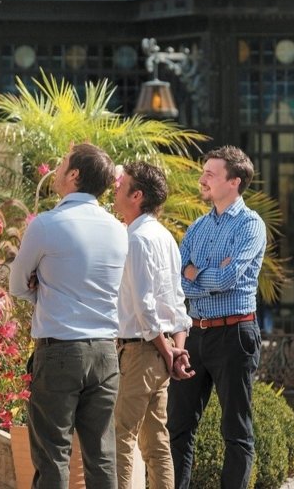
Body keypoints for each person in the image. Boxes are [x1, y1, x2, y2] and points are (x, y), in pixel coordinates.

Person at [9, 143, 127, 489]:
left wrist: (41, 288)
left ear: (74, 175)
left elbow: (17, 285)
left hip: (59, 350)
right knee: (102, 454)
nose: (57, 170)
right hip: (106, 353)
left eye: (62, 164)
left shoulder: (47, 224)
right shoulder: (118, 229)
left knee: (52, 455)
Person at [167, 145, 266, 489]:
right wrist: (198, 275)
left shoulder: (251, 225)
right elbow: (176, 281)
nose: (202, 178)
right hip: (195, 334)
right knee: (178, 426)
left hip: (235, 334)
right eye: (203, 172)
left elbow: (229, 279)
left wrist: (195, 273)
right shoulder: (197, 227)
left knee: (236, 430)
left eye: (211, 173)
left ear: (234, 182)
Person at [111, 162, 194, 489]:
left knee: (120, 436)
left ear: (137, 195)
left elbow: (147, 309)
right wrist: (177, 350)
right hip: (160, 351)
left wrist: (170, 352)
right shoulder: (164, 237)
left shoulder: (137, 239)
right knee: (156, 440)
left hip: (142, 351)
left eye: (123, 184)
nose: (116, 188)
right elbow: (176, 304)